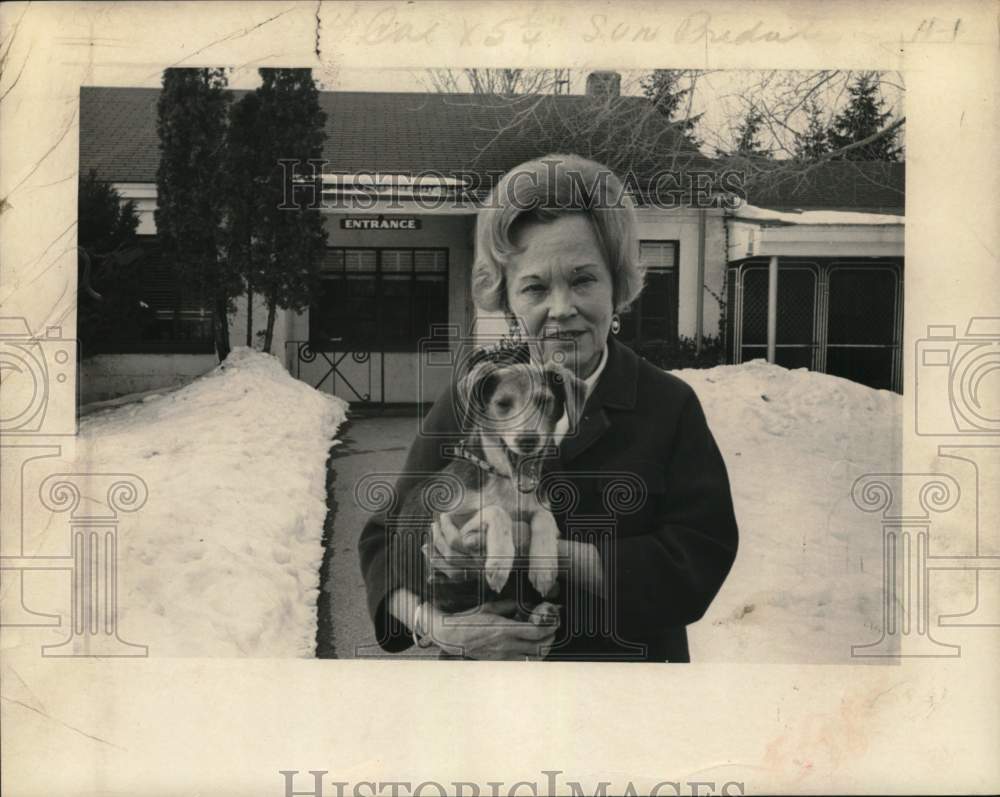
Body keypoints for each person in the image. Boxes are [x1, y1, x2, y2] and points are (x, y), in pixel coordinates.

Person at [358, 154, 738, 662]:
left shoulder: (668, 406)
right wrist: (441, 627)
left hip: (626, 685)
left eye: (583, 280)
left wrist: (552, 553)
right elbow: (385, 538)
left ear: (617, 284)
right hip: (489, 689)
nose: (561, 309)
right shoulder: (477, 398)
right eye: (535, 287)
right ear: (508, 299)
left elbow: (698, 560)